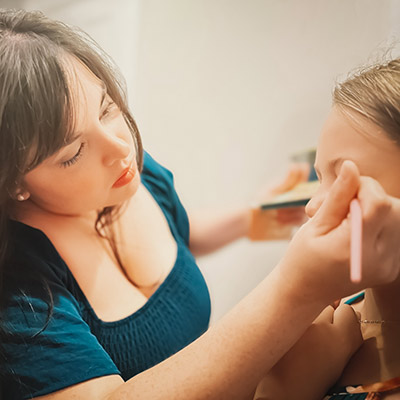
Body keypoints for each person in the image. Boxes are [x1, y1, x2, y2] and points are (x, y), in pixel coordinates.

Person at [1, 8, 400, 400]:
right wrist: (297, 295)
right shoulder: (19, 294)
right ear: (15, 181)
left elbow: (180, 233)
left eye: (107, 108)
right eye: (73, 152)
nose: (121, 147)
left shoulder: (124, 173)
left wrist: (261, 217)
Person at [254, 58, 400, 400]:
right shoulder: (326, 319)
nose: (313, 206)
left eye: (348, 178)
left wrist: (284, 391)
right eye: (321, 177)